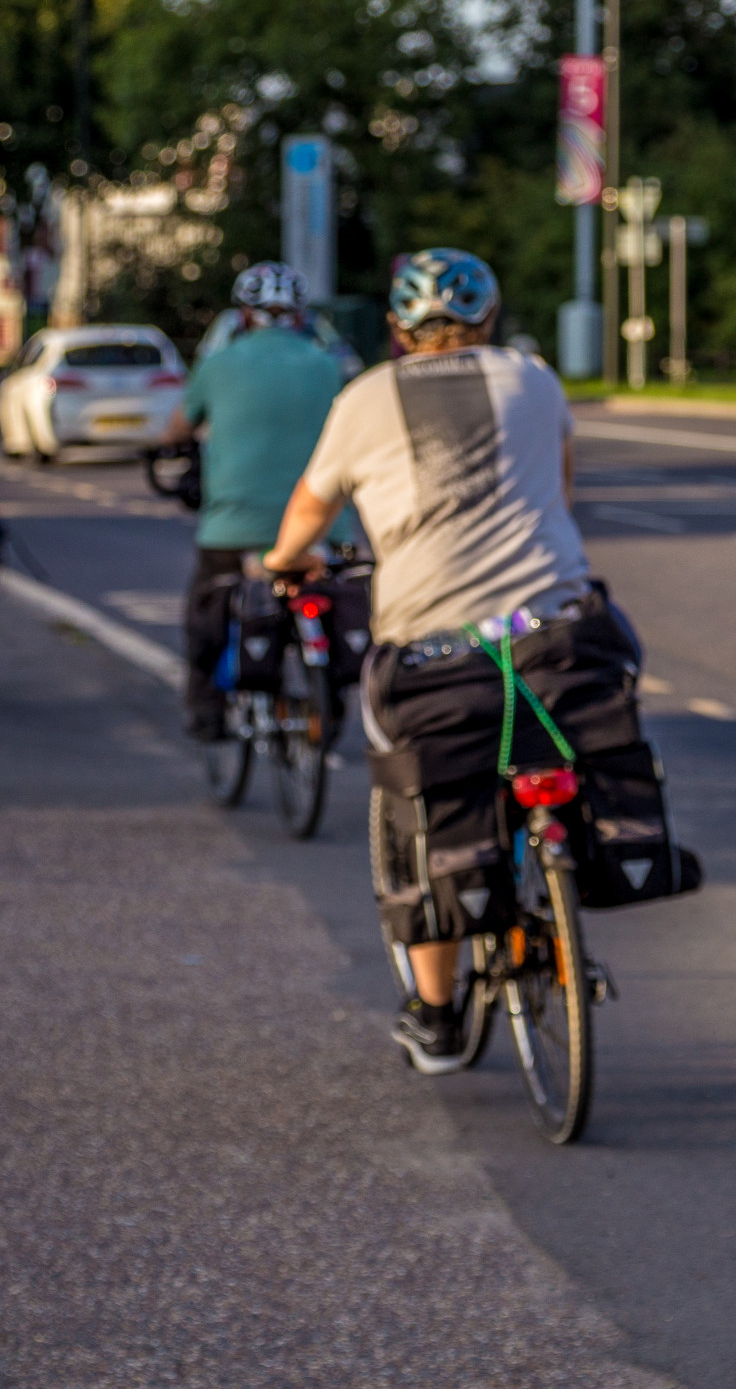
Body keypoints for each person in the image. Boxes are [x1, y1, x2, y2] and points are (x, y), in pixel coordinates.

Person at [261, 248, 606, 1075]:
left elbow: (313, 506)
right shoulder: (534, 380)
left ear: (397, 329)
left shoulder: (365, 397)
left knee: (413, 807)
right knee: (562, 737)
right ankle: (557, 865)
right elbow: (558, 495)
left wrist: (283, 564)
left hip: (432, 647)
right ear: (489, 320)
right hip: (559, 625)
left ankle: (437, 1014)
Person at [165, 261, 350, 740]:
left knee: (205, 614)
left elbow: (178, 429)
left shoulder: (219, 363)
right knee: (332, 604)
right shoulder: (327, 364)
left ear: (243, 315)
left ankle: (205, 714)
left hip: (235, 531)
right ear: (300, 316)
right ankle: (327, 712)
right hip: (324, 530)